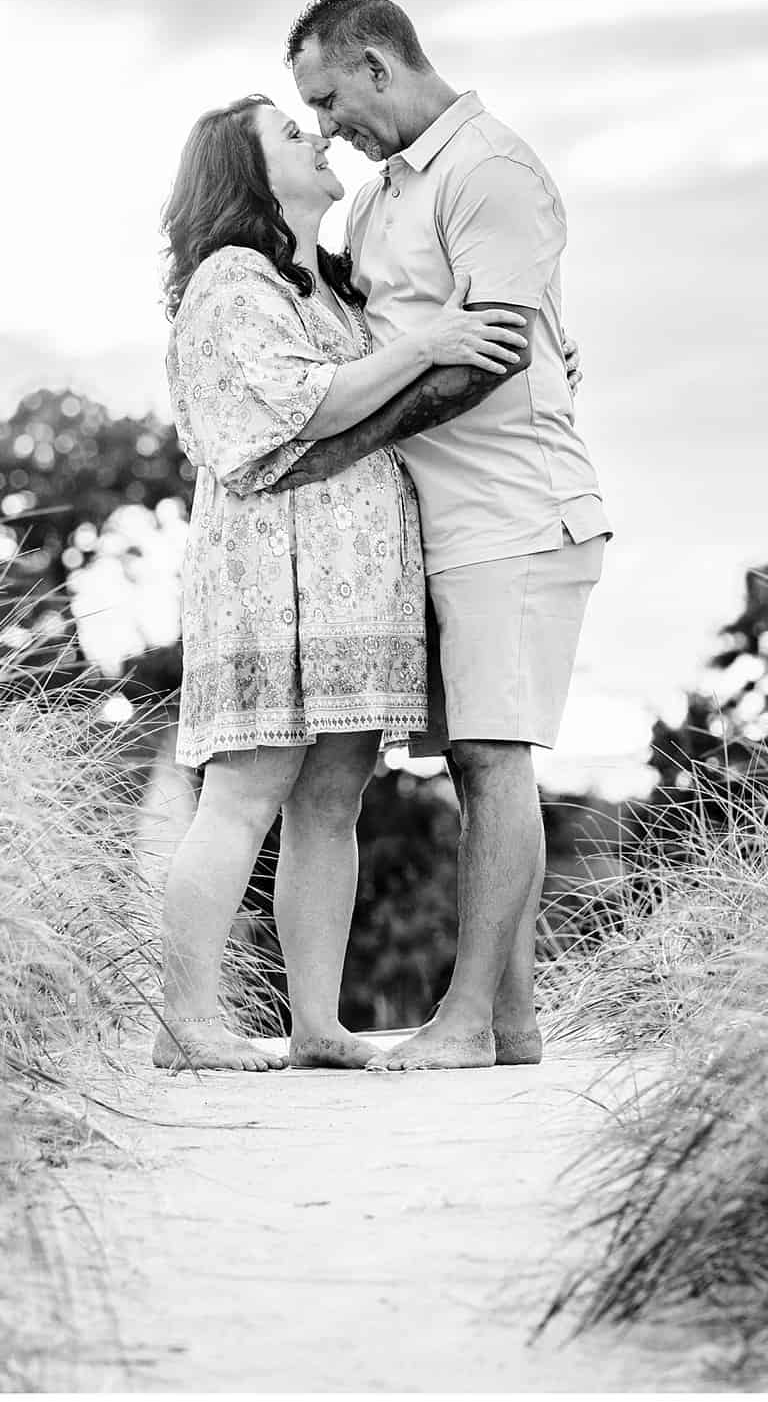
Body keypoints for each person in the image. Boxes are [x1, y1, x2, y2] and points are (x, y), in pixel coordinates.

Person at [153, 93, 530, 1072]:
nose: (316, 138)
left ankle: (316, 1021)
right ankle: (185, 1019)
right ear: (242, 175)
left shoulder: (319, 284)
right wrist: (424, 345)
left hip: (353, 580)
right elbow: (301, 405)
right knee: (245, 788)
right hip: (276, 574)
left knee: (332, 794)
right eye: (289, 132)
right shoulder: (231, 277)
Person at [276, 0, 612, 1073]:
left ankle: (467, 1020)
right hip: (438, 523)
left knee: (490, 752)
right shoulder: (379, 201)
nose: (328, 125)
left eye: (329, 98)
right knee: (469, 760)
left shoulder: (490, 171)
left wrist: (350, 440)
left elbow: (497, 349)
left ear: (378, 62)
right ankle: (510, 1027)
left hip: (514, 508)